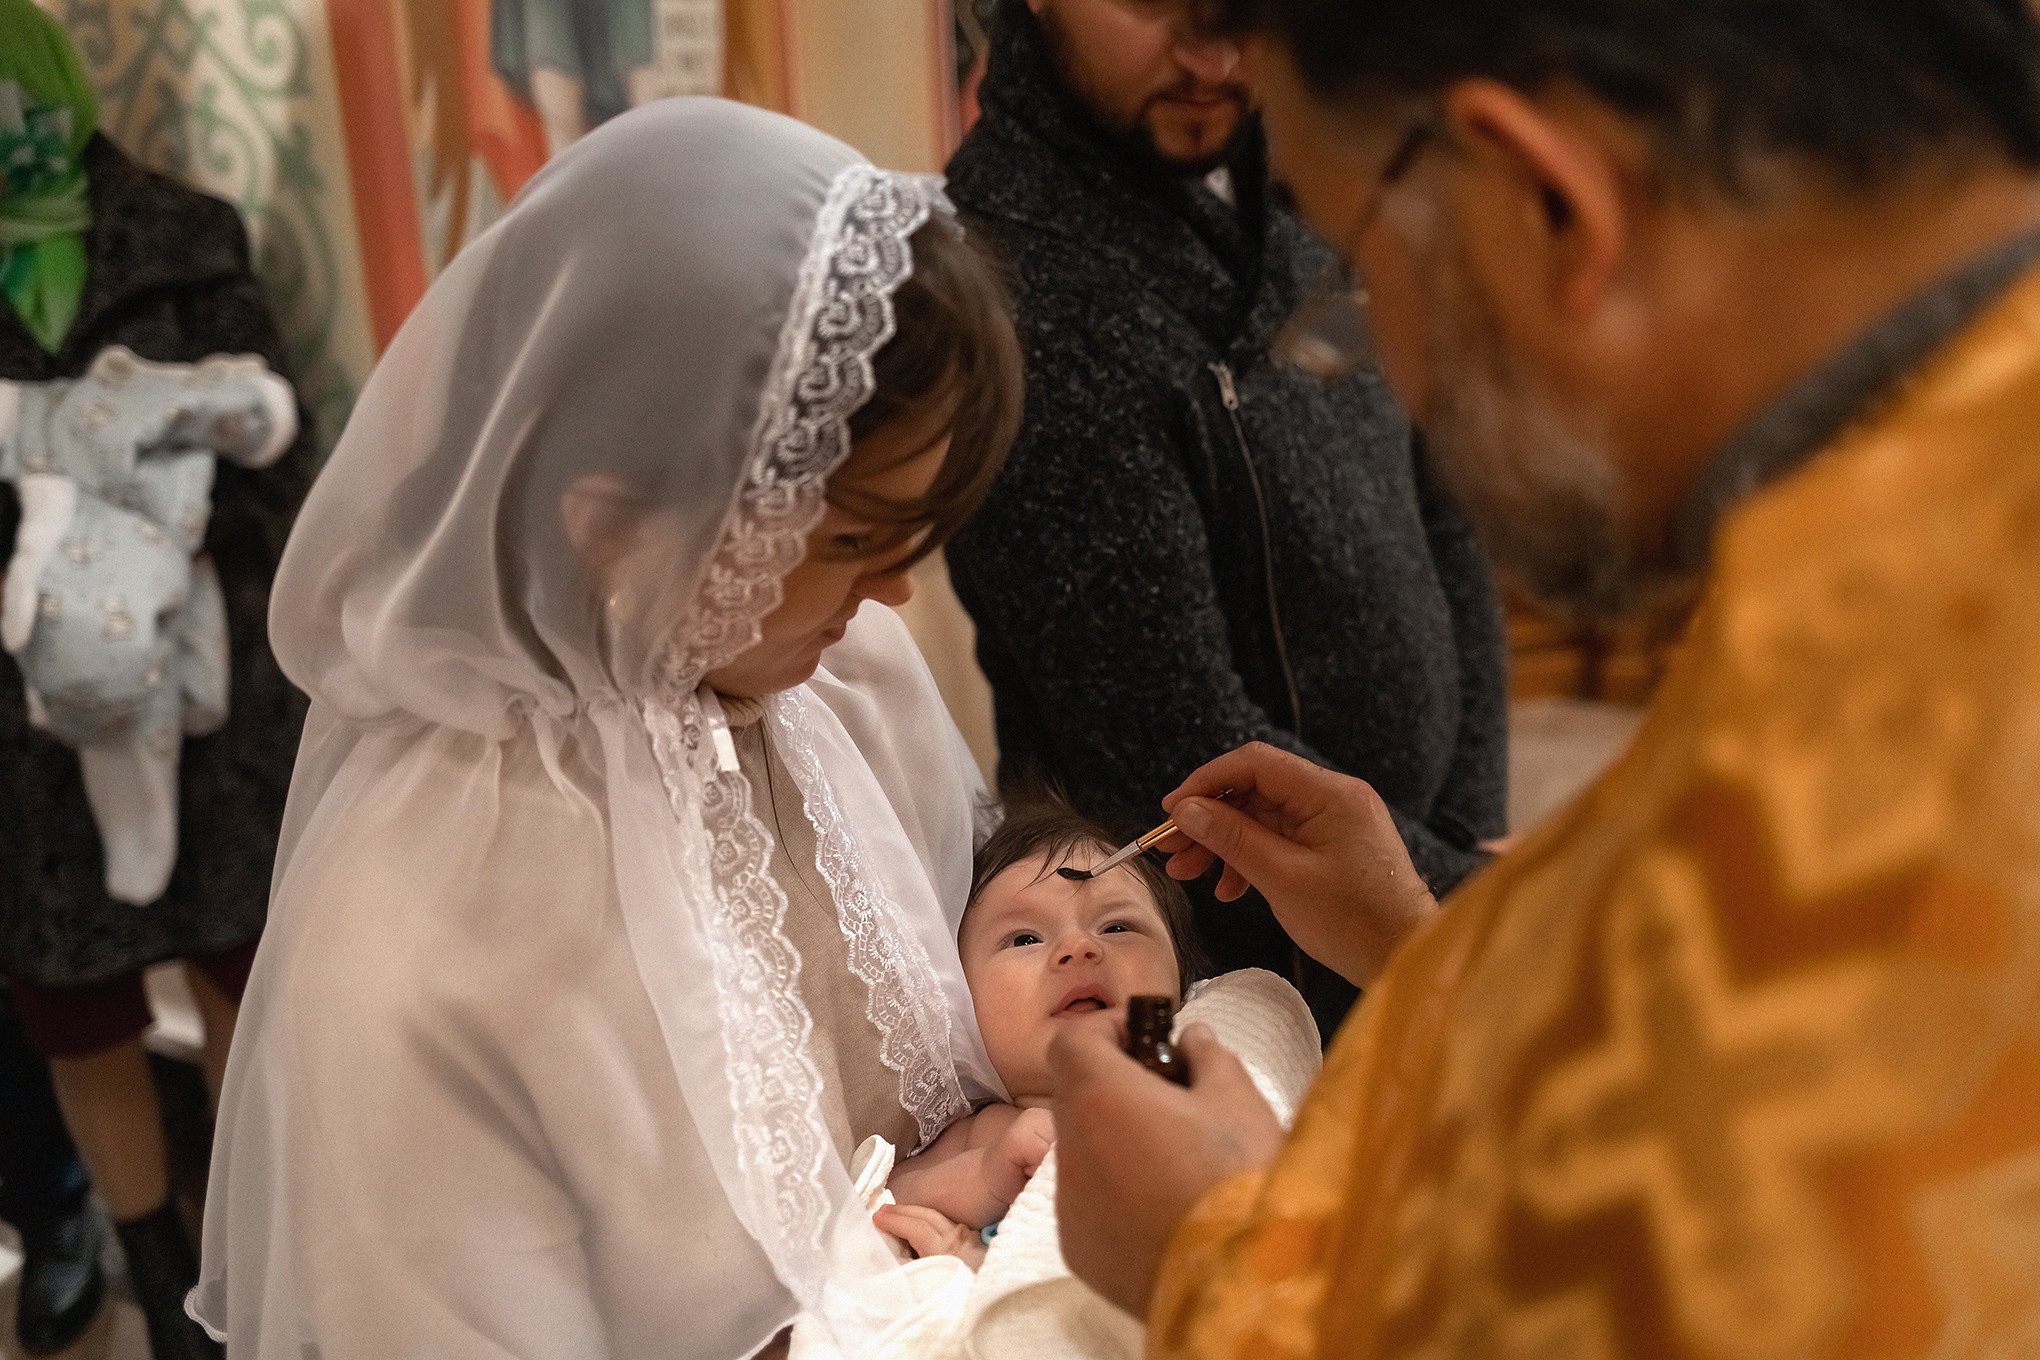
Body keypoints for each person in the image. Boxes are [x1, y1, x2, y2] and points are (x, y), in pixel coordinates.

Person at [1041, 1, 2040, 1356]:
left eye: (1370, 280)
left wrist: (1207, 1257)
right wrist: (1425, 946)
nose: (1379, 359)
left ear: (1551, 207)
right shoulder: (1913, 523)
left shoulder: (1872, 730)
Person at [192, 97, 1028, 1360]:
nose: (896, 589)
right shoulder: (413, 939)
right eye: (856, 537)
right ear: (617, 524)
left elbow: (969, 1009)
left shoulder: (838, 678)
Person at [940, 0, 1510, 1037]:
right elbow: (1182, 740)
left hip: (1412, 909)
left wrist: (1475, 834)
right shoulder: (1007, 280)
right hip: (1217, 975)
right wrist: (1459, 896)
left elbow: (1442, 497)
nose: (1210, 55)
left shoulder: (1305, 170)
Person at [0, 5, 315, 1358]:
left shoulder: (186, 232)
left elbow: (279, 477)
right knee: (80, 1014)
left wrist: (153, 544)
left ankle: (260, 1258)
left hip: (212, 699)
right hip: (19, 721)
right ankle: (148, 1263)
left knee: (254, 976)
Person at [877, 801, 1202, 1263]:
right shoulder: (990, 1133)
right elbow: (891, 1195)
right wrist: (989, 1178)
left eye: (1116, 927)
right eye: (1025, 939)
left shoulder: (1203, 1074)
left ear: (1184, 985)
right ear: (962, 1002)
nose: (1078, 948)